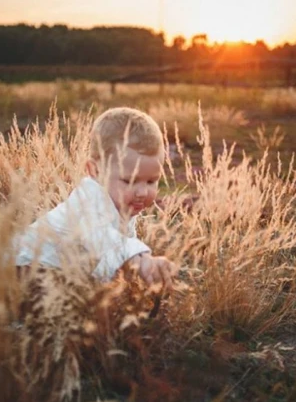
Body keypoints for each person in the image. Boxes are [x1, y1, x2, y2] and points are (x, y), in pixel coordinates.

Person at [14, 107, 178, 290]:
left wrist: (139, 264)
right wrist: (142, 258)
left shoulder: (124, 203)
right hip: (24, 265)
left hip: (57, 274)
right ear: (95, 171)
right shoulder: (89, 201)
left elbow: (111, 253)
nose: (142, 192)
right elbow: (101, 238)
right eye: (129, 181)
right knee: (51, 300)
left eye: (151, 181)